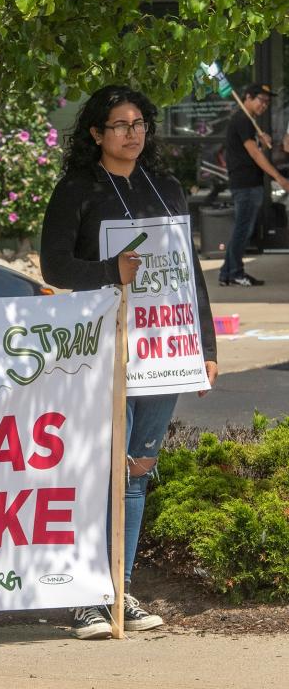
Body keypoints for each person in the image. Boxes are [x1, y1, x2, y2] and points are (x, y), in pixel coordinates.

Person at [40, 85, 218, 640]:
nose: (132, 134)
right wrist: (107, 272)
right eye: (119, 125)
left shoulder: (165, 189)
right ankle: (84, 596)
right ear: (96, 132)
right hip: (101, 349)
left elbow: (187, 273)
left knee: (137, 471)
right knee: (99, 472)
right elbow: (54, 265)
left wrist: (205, 346)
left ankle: (120, 588)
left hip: (162, 348)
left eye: (139, 123)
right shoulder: (78, 190)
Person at [220, 83, 289, 286]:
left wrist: (261, 139)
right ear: (248, 97)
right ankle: (236, 273)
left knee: (242, 229)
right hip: (246, 185)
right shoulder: (243, 120)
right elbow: (255, 154)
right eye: (261, 100)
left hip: (247, 184)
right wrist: (279, 178)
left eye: (268, 102)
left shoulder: (247, 122)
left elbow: (252, 149)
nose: (264, 105)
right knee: (243, 230)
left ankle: (227, 273)